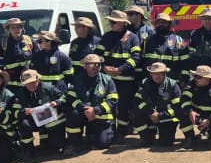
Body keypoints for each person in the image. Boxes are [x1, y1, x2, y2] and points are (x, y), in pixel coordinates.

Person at [96, 9, 142, 139]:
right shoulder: (106, 37)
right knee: (110, 105)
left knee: (123, 107)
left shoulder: (133, 37)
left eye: (114, 22)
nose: (111, 24)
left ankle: (122, 130)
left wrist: (120, 69)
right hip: (108, 80)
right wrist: (104, 68)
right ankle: (110, 130)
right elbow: (97, 55)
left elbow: (136, 58)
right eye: (110, 22)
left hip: (126, 80)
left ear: (122, 23)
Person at [65, 54, 118, 152]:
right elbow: (71, 98)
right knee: (72, 113)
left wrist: (96, 110)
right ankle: (74, 142)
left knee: (103, 143)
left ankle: (92, 135)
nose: (96, 66)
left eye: (98, 64)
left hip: (100, 116)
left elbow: (113, 101)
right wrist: (84, 109)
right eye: (92, 64)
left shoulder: (107, 80)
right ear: (84, 66)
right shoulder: (77, 79)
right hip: (83, 113)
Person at [16, 68, 67, 156]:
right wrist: (24, 111)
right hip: (34, 121)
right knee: (24, 124)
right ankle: (28, 150)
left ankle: (50, 141)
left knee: (55, 146)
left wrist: (56, 102)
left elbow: (64, 98)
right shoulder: (20, 94)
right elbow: (16, 110)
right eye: (28, 84)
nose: (31, 86)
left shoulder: (49, 88)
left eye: (33, 82)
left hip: (52, 121)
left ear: (38, 80)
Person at [133, 61, 182, 147]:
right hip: (150, 114)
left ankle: (158, 134)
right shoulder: (145, 83)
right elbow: (137, 100)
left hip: (166, 117)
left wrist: (160, 115)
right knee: (136, 112)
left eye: (160, 73)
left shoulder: (173, 85)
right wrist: (151, 112)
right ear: (151, 74)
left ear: (165, 74)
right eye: (154, 73)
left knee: (165, 143)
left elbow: (178, 108)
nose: (157, 76)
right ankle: (146, 138)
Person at [181, 64, 211, 147]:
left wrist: (209, 120)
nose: (195, 79)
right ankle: (190, 137)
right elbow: (184, 99)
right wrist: (190, 111)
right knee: (182, 113)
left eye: (198, 77)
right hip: (197, 115)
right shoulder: (192, 84)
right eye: (195, 76)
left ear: (207, 78)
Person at [140, 13, 189, 80]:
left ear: (169, 24)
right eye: (159, 22)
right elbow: (141, 61)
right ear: (155, 24)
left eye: (164, 22)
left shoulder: (178, 40)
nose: (161, 24)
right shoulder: (147, 40)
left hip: (172, 82)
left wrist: (184, 80)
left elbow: (186, 62)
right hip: (151, 82)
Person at [0, 17, 34, 89]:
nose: (16, 30)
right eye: (13, 28)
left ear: (22, 28)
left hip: (27, 78)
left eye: (18, 27)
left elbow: (37, 57)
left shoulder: (28, 40)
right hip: (11, 80)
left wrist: (29, 69)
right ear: (8, 29)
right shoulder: (4, 43)